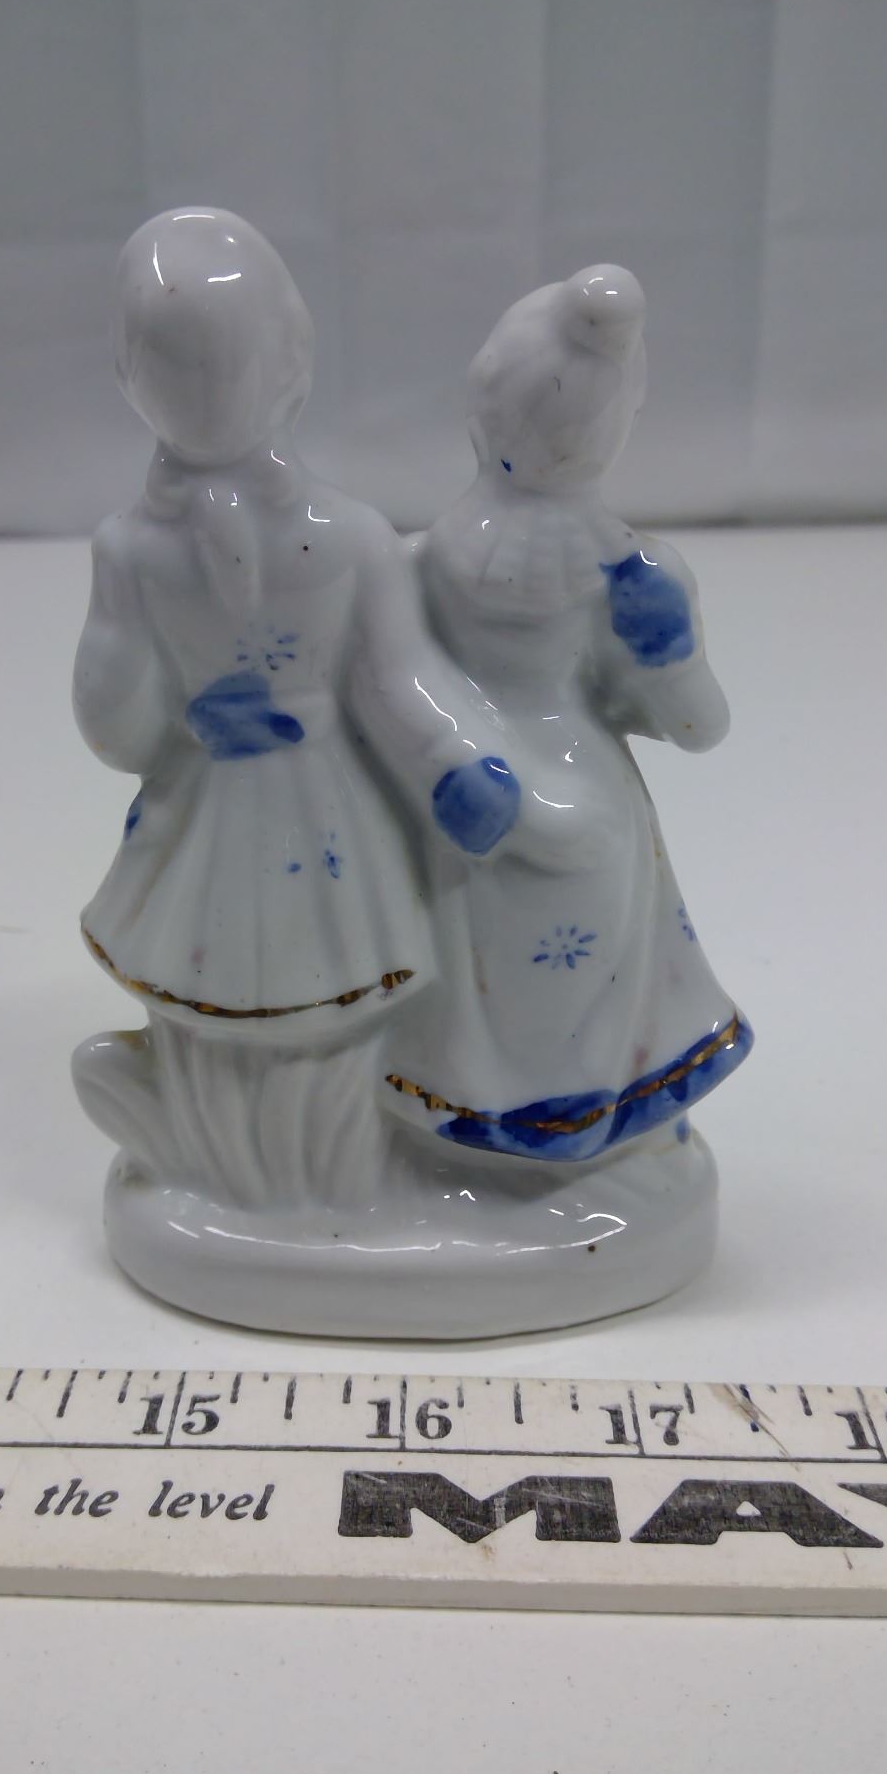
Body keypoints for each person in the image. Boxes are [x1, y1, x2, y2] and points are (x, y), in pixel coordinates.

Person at [72, 208, 568, 1207]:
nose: (206, 395)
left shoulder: (348, 538)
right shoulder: (136, 549)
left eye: (228, 367)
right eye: (175, 369)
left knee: (325, 1006)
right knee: (213, 1004)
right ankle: (230, 1167)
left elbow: (396, 681)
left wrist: (459, 767)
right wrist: (178, 712)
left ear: (293, 368)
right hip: (218, 814)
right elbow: (113, 723)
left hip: (319, 816)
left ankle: (327, 1177)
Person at [382, 265, 752, 1164]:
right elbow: (388, 683)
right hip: (468, 804)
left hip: (577, 815)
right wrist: (473, 775)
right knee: (471, 993)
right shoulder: (416, 565)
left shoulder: (632, 571)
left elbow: (699, 727)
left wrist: (671, 655)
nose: (563, 444)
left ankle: (571, 1156)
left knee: (579, 994)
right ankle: (470, 1157)